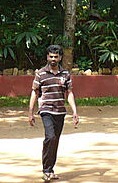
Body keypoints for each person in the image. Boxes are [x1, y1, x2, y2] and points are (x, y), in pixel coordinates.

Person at [28, 44, 79, 182]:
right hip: (46, 110)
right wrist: (31, 112)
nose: (53, 59)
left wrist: (74, 111)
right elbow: (35, 92)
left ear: (60, 58)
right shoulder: (40, 74)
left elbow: (69, 93)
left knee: (55, 140)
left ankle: (50, 170)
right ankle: (46, 170)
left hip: (60, 112)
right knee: (50, 137)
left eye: (56, 57)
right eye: (51, 56)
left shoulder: (65, 74)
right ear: (47, 57)